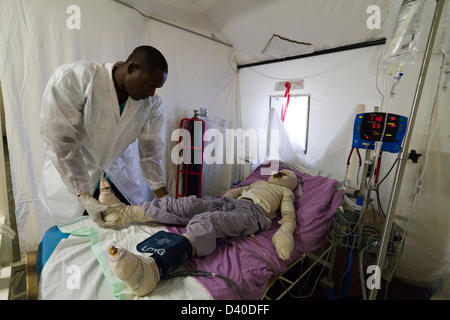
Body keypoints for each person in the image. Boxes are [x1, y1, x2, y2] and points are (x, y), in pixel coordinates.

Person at [100, 169, 300, 297]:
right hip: (230, 203)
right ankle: (122, 213)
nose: (281, 173)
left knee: (209, 221)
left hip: (253, 214)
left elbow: (289, 214)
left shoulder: (286, 192)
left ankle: (154, 270)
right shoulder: (258, 183)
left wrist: (286, 231)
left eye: (285, 174)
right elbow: (236, 192)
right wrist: (216, 202)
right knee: (187, 204)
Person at [40, 45, 169, 231]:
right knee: (74, 240)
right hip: (72, 178)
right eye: (149, 84)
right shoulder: (76, 78)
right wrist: (84, 196)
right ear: (132, 68)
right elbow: (60, 140)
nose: (151, 93)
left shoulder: (151, 105)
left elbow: (151, 153)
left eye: (157, 88)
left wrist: (165, 198)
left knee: (121, 239)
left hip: (118, 178)